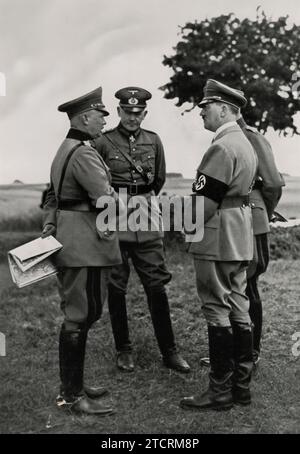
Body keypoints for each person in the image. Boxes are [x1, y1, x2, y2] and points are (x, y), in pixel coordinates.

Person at [92, 86, 190, 373]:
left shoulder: (154, 140)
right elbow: (97, 181)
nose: (133, 118)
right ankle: (124, 350)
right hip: (114, 215)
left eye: (138, 113)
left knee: (156, 285)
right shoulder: (103, 141)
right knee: (117, 286)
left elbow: (157, 180)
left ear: (144, 113)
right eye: (127, 112)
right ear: (119, 111)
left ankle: (169, 351)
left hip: (147, 218)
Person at [42, 87, 123, 415]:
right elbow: (105, 200)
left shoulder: (65, 149)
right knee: (81, 315)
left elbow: (52, 198)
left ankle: (73, 386)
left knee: (80, 313)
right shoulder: (85, 154)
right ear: (84, 117)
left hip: (70, 241)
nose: (104, 121)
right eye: (100, 115)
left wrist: (50, 225)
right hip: (86, 247)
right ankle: (72, 395)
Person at [180, 79, 258, 411]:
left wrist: (187, 230)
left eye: (206, 107)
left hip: (216, 235)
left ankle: (219, 390)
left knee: (216, 307)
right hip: (240, 232)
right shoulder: (245, 142)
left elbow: (205, 204)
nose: (201, 114)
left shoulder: (221, 147)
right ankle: (241, 387)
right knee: (239, 306)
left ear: (224, 109)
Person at [237, 115, 284, 371]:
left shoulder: (251, 137)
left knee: (248, 283)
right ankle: (238, 349)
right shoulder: (228, 137)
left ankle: (250, 352)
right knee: (235, 285)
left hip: (251, 219)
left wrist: (264, 210)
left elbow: (273, 184)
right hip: (232, 218)